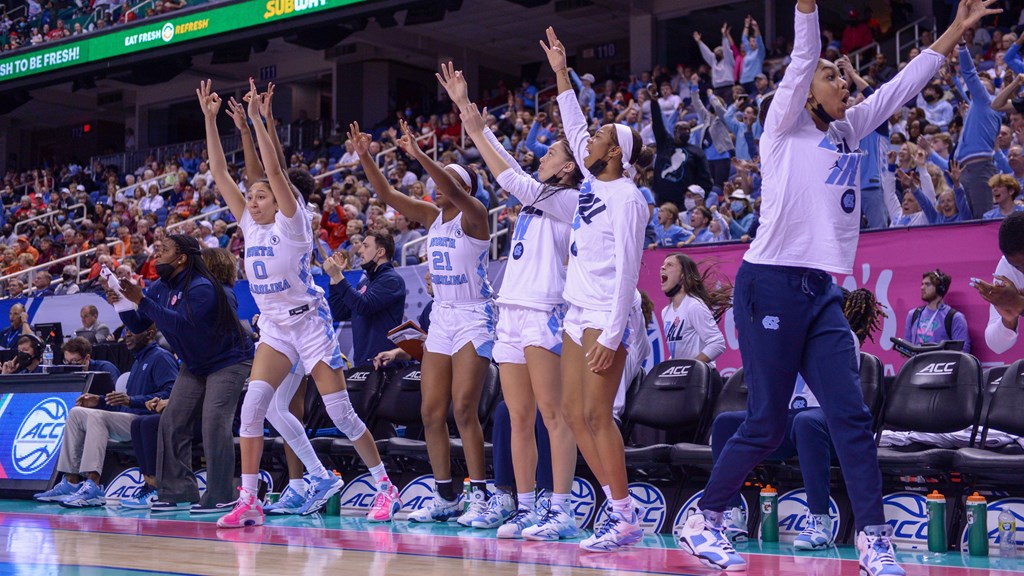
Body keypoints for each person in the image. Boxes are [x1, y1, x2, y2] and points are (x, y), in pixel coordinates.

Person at [676, 1, 999, 574]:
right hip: (769, 282)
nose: (840, 80)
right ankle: (706, 517)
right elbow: (803, 56)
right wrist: (806, 8)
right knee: (767, 422)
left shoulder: (852, 127)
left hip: (820, 291)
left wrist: (954, 29)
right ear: (806, 94)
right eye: (830, 76)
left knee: (849, 416)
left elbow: (904, 82)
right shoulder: (782, 128)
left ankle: (873, 539)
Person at [198, 80, 397, 528]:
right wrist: (211, 122)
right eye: (251, 197)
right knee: (253, 409)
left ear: (280, 199)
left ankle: (386, 486)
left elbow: (271, 167)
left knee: (340, 412)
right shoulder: (249, 223)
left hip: (310, 324)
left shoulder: (293, 224)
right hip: (274, 328)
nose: (252, 199)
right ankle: (248, 501)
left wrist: (257, 121)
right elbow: (219, 171)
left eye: (261, 194)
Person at [438, 62, 582, 539]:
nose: (542, 155)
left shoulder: (570, 200)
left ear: (567, 166)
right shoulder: (539, 197)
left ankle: (561, 508)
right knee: (517, 416)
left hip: (545, 313)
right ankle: (525, 507)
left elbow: (512, 178)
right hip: (511, 315)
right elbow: (515, 174)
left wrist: (475, 126)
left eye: (552, 152)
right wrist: (465, 111)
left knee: (552, 414)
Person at [349, 113, 495, 527]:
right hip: (444, 317)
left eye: (447, 180)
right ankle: (445, 495)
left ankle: (480, 495)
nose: (437, 186)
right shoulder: (434, 218)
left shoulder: (475, 215)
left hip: (473, 315)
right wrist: (366, 158)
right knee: (431, 412)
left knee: (463, 409)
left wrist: (419, 154)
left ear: (463, 187)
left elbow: (447, 184)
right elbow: (388, 194)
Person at [543, 27, 653, 553]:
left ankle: (626, 515)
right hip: (575, 312)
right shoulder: (591, 184)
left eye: (598, 139)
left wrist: (611, 333)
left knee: (594, 414)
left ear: (615, 153)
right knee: (570, 413)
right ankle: (616, 510)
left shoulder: (629, 197)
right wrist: (562, 73)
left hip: (607, 314)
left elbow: (631, 272)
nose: (587, 141)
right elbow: (574, 121)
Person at [711, 288, 887, 548]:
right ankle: (732, 515)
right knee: (725, 423)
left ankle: (820, 520)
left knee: (807, 421)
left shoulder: (842, 338)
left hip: (829, 425)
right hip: (791, 422)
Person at [113, 233, 253, 515]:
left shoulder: (204, 287)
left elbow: (183, 326)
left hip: (228, 361)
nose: (157, 256)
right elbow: (140, 323)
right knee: (172, 420)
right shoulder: (162, 286)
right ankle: (178, 492)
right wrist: (122, 303)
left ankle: (222, 495)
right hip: (195, 363)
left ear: (181, 258)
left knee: (214, 421)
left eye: (163, 250)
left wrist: (142, 299)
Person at [33, 326, 175, 508]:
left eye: (132, 330)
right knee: (76, 412)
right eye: (125, 332)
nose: (127, 335)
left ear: (148, 333)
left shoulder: (161, 357)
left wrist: (132, 400)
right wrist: (99, 400)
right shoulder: (139, 359)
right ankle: (71, 482)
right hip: (129, 419)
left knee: (96, 418)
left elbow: (171, 393)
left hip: (147, 422)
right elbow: (126, 401)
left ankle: (94, 486)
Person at [324, 230, 406, 365]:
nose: (360, 251)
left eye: (366, 246)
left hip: (385, 364)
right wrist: (334, 277)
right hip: (362, 362)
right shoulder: (365, 282)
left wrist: (339, 277)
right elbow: (340, 312)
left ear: (380, 252)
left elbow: (364, 306)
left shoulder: (392, 280)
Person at [658, 254, 729, 364]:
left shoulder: (694, 306)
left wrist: (692, 367)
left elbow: (717, 343)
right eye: (663, 265)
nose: (662, 267)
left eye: (670, 265)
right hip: (682, 377)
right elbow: (680, 352)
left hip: (701, 378)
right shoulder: (665, 312)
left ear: (683, 275)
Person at [976, 211, 1024, 353]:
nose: (1022, 270)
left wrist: (1021, 305)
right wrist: (1008, 321)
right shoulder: (1008, 267)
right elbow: (996, 346)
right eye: (1017, 266)